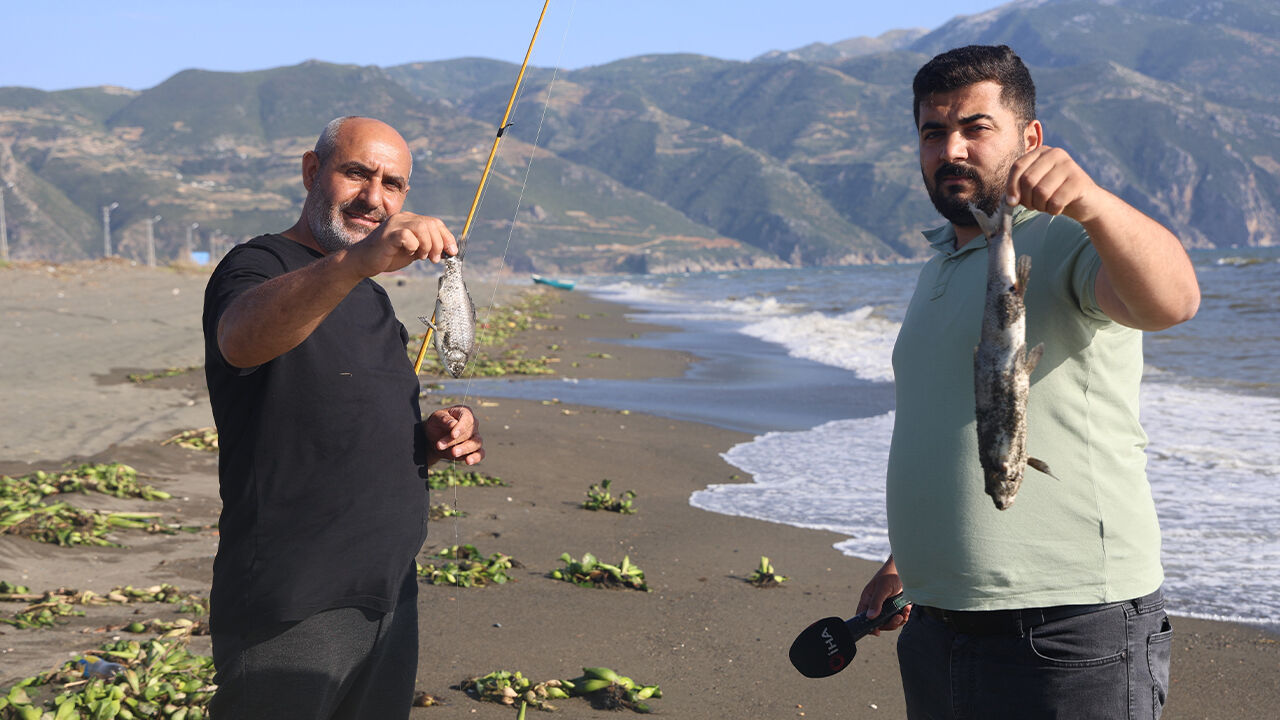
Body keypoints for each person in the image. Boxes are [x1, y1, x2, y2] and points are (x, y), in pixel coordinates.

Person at [856, 45, 1200, 719]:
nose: (951, 148)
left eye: (975, 127)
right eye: (933, 132)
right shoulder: (946, 261)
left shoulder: (1071, 237)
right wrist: (909, 561)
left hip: (1067, 631)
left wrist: (1096, 204)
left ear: (1030, 139)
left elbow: (1174, 302)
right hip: (939, 624)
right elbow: (957, 419)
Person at [201, 116, 484, 720]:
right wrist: (357, 261)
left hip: (386, 592)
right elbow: (240, 340)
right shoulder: (259, 265)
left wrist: (427, 440)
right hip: (294, 597)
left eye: (393, 184)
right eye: (357, 173)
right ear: (312, 171)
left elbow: (340, 413)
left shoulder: (372, 296)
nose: (373, 197)